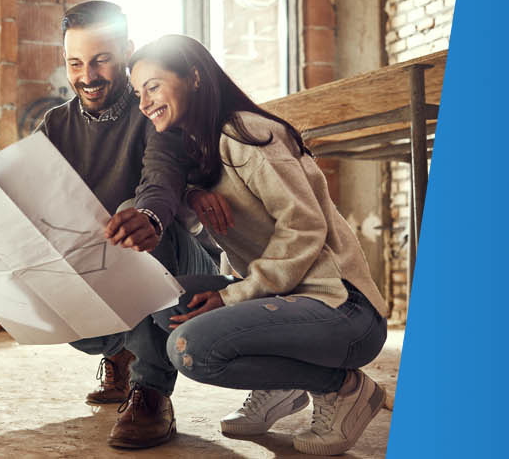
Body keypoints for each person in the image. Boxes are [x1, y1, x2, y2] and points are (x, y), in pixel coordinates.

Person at [128, 34, 392, 456]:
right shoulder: (198, 149)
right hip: (288, 302)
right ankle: (282, 383)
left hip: (343, 308)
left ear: (194, 77)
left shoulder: (246, 134)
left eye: (153, 86)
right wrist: (193, 195)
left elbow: (304, 228)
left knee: (190, 349)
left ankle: (344, 388)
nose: (144, 102)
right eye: (138, 92)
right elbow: (201, 226)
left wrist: (235, 296)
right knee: (163, 301)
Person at [36, 1, 217, 449]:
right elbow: (18, 188)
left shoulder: (154, 107)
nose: (88, 75)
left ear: (127, 51)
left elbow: (161, 178)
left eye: (101, 60)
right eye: (75, 62)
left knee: (128, 213)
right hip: (102, 264)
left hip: (178, 259)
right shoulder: (55, 124)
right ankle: (119, 352)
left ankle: (151, 389)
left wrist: (148, 217)